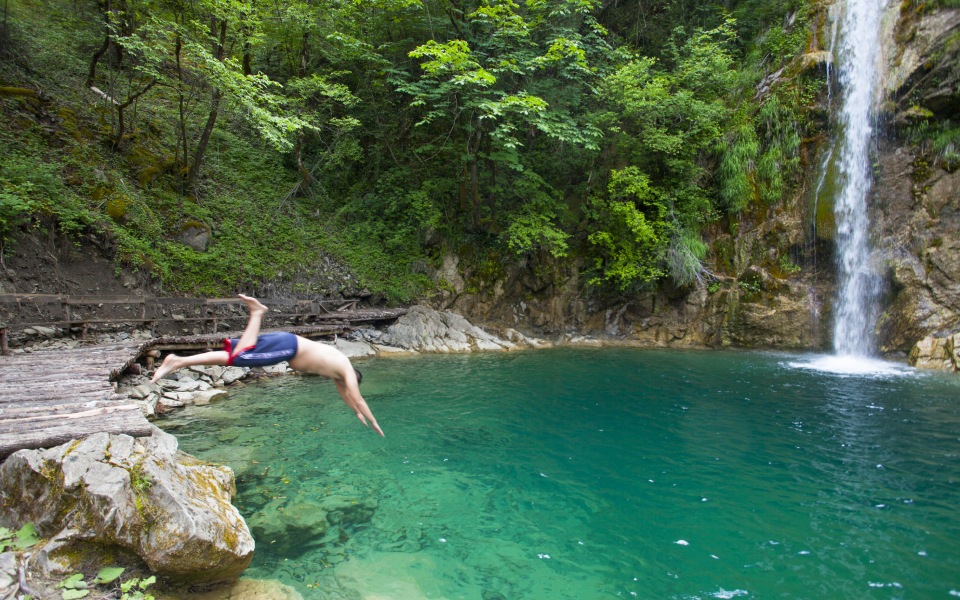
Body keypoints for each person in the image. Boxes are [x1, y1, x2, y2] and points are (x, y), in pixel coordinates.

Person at [151, 294, 384, 437]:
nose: (344, 385)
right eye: (348, 382)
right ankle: (257, 312)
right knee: (241, 355)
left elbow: (347, 397)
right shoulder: (345, 369)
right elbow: (357, 396)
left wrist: (356, 414)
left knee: (237, 353)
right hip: (288, 347)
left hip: (286, 344)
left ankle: (178, 361)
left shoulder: (338, 373)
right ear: (353, 377)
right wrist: (373, 421)